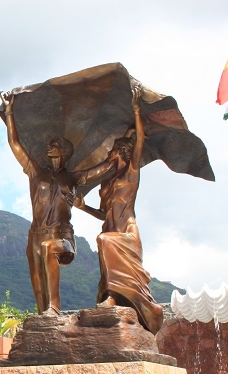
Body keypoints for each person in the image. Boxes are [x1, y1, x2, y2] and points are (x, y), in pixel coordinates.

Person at [2, 92, 114, 316]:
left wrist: (119, 148)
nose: (48, 148)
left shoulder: (72, 177)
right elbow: (14, 144)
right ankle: (46, 319)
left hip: (62, 238)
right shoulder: (36, 172)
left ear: (63, 151)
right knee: (37, 280)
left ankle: (55, 307)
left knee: (48, 248)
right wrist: (9, 112)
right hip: (36, 234)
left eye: (53, 145)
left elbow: (102, 168)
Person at [74, 84, 163, 333]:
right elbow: (104, 215)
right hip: (111, 231)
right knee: (104, 240)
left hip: (126, 235)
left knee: (104, 241)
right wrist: (83, 207)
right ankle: (117, 299)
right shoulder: (108, 185)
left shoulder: (130, 176)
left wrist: (136, 110)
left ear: (122, 154)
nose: (109, 156)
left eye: (113, 152)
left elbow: (140, 140)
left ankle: (112, 297)